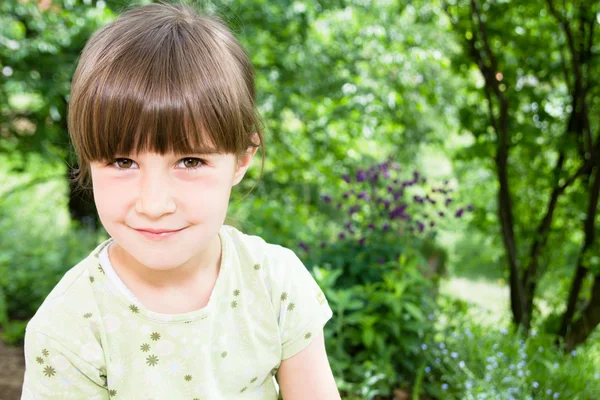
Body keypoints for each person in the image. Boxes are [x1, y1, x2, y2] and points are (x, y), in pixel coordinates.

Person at [20, 3, 340, 399]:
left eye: (190, 161)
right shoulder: (68, 327)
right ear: (88, 159)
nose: (154, 204)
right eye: (123, 161)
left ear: (241, 159)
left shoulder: (275, 284)